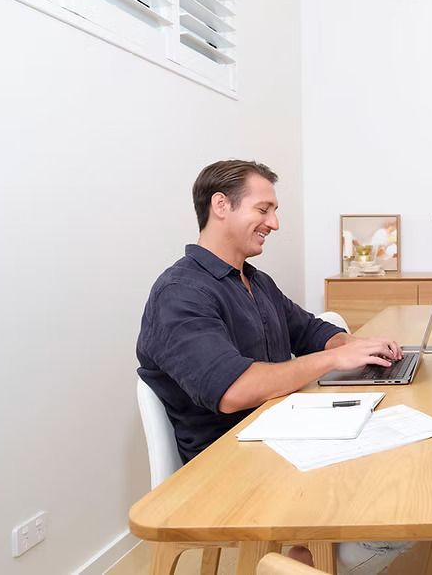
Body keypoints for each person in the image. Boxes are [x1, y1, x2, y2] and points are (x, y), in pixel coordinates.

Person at [136, 160, 410, 573]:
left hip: (283, 433)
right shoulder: (180, 292)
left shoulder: (255, 280)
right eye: (263, 210)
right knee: (395, 504)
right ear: (221, 205)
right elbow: (234, 391)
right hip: (231, 465)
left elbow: (312, 331)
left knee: (403, 465)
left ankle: (310, 556)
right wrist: (335, 358)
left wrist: (359, 346)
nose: (275, 223)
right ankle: (305, 561)